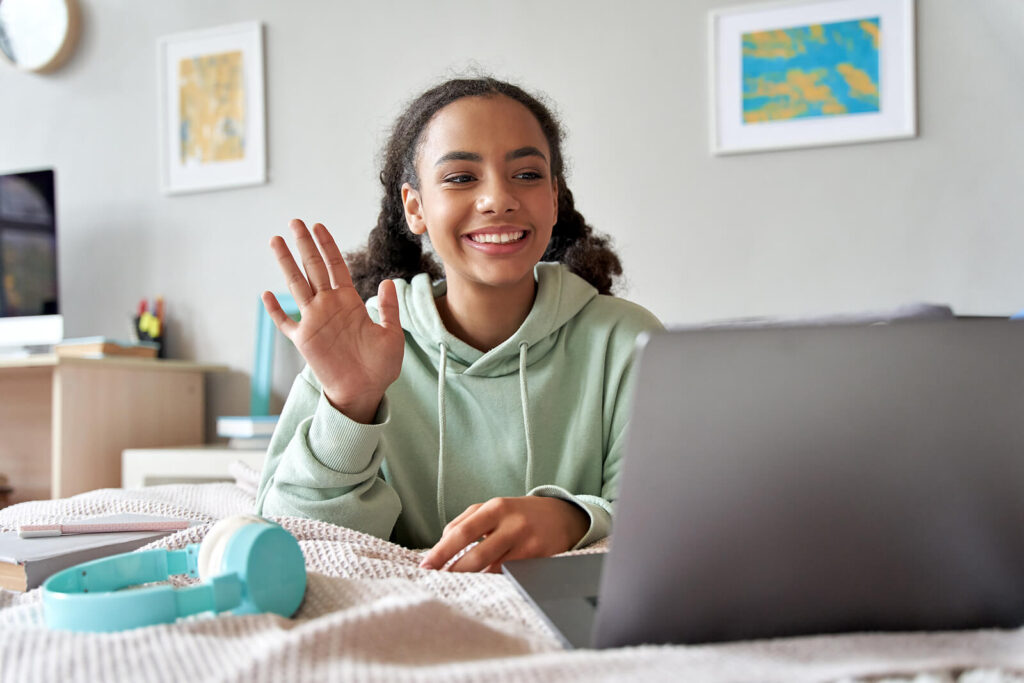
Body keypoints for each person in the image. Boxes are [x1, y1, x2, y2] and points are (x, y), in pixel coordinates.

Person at [255, 77, 662, 573]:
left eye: (528, 174)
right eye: (461, 178)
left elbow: (672, 518)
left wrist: (572, 519)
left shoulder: (627, 341)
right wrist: (350, 406)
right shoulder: (360, 343)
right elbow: (289, 541)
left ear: (554, 198)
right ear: (415, 207)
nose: (497, 198)